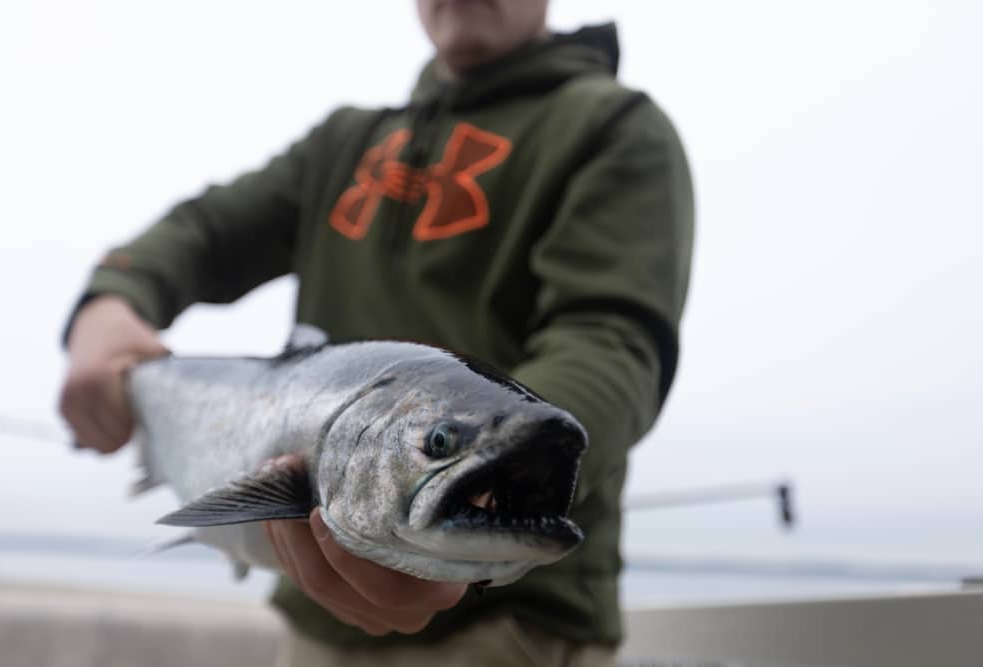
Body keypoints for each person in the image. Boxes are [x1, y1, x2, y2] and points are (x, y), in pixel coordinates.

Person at [59, 1, 694, 665]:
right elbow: (204, 234)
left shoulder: (611, 128)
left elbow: (609, 341)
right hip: (314, 620)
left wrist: (497, 494)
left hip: (509, 627)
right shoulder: (343, 144)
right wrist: (111, 300)